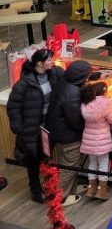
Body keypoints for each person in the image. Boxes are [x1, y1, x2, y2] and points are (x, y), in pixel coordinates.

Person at [7, 48, 62, 203]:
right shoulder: (24, 84)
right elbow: (13, 106)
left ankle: (49, 187)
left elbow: (67, 79)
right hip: (32, 130)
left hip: (48, 128)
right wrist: (19, 129)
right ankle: (36, 190)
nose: (52, 61)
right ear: (39, 63)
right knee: (33, 161)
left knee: (47, 157)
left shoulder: (54, 74)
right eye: (49, 60)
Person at [47, 59, 92, 206]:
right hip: (69, 137)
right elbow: (75, 120)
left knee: (66, 164)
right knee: (69, 166)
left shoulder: (64, 83)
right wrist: (85, 127)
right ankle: (62, 197)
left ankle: (70, 189)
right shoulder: (72, 93)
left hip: (58, 133)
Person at [80, 81, 112, 200]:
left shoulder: (86, 103)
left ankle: (91, 188)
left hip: (89, 139)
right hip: (101, 140)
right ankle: (102, 190)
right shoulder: (106, 103)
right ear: (104, 91)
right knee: (104, 163)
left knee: (92, 163)